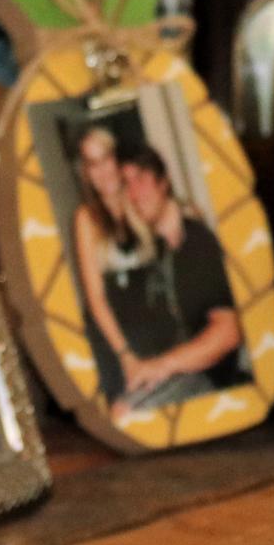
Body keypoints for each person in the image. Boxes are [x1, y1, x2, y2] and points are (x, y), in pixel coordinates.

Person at [110, 147, 245, 407]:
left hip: (208, 378)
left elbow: (228, 331)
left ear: (164, 182)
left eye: (141, 179)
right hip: (176, 371)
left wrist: (160, 366)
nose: (134, 194)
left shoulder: (197, 243)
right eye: (126, 184)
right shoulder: (158, 249)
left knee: (125, 414)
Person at [63, 123, 155, 398]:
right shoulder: (86, 219)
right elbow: (96, 298)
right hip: (114, 337)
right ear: (86, 173)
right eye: (92, 164)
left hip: (155, 326)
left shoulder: (141, 198)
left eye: (106, 158)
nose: (102, 170)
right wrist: (125, 355)